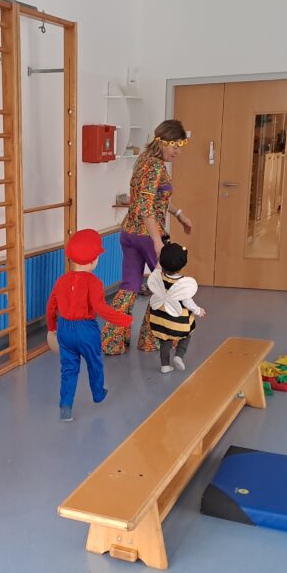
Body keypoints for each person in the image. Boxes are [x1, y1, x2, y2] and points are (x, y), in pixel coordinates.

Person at [101, 119, 193, 356]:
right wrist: (157, 242)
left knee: (129, 287)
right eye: (173, 145)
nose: (177, 151)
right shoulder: (156, 166)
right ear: (161, 141)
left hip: (129, 233)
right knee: (164, 288)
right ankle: (151, 340)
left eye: (180, 146)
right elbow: (145, 207)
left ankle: (112, 341)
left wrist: (179, 215)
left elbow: (155, 199)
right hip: (147, 236)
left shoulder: (144, 159)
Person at [46, 228, 133, 421]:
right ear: (94, 259)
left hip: (64, 329)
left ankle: (65, 406)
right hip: (86, 330)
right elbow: (101, 308)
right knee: (94, 362)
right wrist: (125, 320)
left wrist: (52, 328)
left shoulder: (61, 281)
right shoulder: (94, 282)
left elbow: (51, 306)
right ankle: (98, 393)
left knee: (68, 368)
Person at [147, 242, 206, 373]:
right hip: (177, 321)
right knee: (187, 335)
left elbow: (157, 268)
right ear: (183, 264)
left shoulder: (158, 277)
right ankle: (179, 355)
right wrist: (198, 310)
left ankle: (165, 366)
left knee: (165, 341)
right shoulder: (182, 283)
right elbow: (187, 302)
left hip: (160, 320)